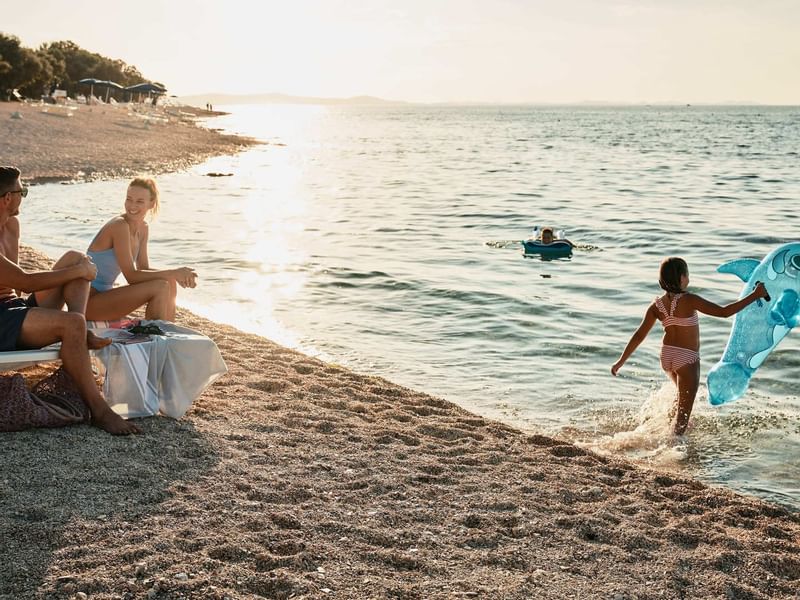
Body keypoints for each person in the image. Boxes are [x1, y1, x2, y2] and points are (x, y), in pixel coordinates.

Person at [0, 166, 140, 435]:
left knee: (76, 257)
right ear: (8, 198)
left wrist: (77, 269)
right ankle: (100, 411)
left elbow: (17, 289)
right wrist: (79, 273)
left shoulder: (12, 226)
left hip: (13, 309)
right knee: (73, 304)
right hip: (1, 321)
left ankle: (80, 329)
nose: (24, 197)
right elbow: (24, 281)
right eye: (23, 192)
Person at [611, 256, 768, 435]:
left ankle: (665, 429)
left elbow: (639, 335)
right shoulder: (689, 300)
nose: (688, 277)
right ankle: (672, 451)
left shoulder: (656, 305)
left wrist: (620, 362)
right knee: (682, 422)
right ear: (681, 278)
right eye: (686, 273)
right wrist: (755, 294)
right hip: (686, 358)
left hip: (667, 356)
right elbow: (724, 312)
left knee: (681, 399)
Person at [85, 177, 197, 323]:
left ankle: (167, 329)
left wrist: (174, 276)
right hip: (88, 302)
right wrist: (175, 272)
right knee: (161, 286)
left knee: (168, 280)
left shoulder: (143, 228)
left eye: (139, 201)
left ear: (151, 203)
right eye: (129, 199)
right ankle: (155, 335)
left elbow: (143, 268)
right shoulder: (119, 226)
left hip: (105, 297)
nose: (132, 205)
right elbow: (131, 277)